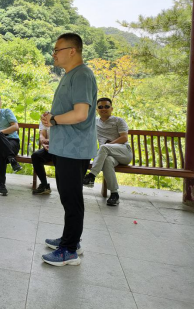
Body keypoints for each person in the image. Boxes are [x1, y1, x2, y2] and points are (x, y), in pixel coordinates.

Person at [41, 33, 98, 267]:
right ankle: (70, 239)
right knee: (68, 197)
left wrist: (54, 120)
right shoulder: (71, 75)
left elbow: (81, 114)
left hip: (74, 148)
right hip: (66, 147)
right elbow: (70, 111)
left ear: (72, 51)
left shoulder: (82, 74)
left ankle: (69, 250)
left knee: (71, 198)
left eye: (57, 50)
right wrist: (52, 118)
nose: (54, 54)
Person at [83, 98, 133, 206]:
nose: (103, 109)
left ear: (111, 108)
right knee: (107, 161)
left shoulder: (118, 121)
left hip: (124, 152)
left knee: (104, 147)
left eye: (106, 106)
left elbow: (124, 138)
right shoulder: (94, 122)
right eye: (100, 107)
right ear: (97, 109)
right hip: (109, 155)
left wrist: (108, 145)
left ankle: (91, 175)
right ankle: (114, 194)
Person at [31, 121, 52, 195]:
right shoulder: (45, 118)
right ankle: (44, 185)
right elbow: (42, 134)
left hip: (63, 149)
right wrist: (43, 142)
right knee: (36, 156)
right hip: (50, 147)